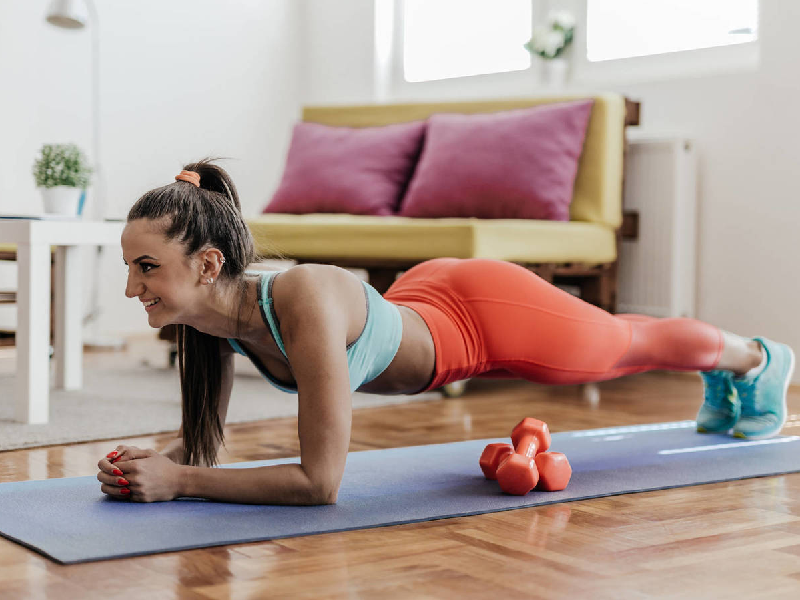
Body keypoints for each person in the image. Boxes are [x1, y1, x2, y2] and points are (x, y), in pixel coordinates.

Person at [98, 159, 795, 504]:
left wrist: (181, 482)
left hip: (481, 318)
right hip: (425, 300)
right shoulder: (208, 320)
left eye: (146, 268)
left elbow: (320, 481)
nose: (133, 288)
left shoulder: (299, 298)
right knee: (622, 338)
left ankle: (754, 358)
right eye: (132, 267)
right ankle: (736, 367)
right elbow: (205, 447)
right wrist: (149, 464)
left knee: (622, 345)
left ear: (208, 263)